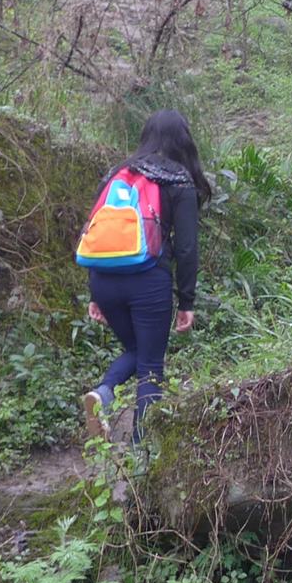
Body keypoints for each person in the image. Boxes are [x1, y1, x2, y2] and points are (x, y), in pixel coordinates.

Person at [79, 108, 204, 439]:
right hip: (148, 280)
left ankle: (104, 393)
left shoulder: (118, 173)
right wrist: (187, 301)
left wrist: (94, 292)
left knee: (137, 351)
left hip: (104, 278)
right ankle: (142, 451)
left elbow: (94, 229)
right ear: (183, 140)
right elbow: (187, 247)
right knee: (150, 365)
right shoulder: (178, 179)